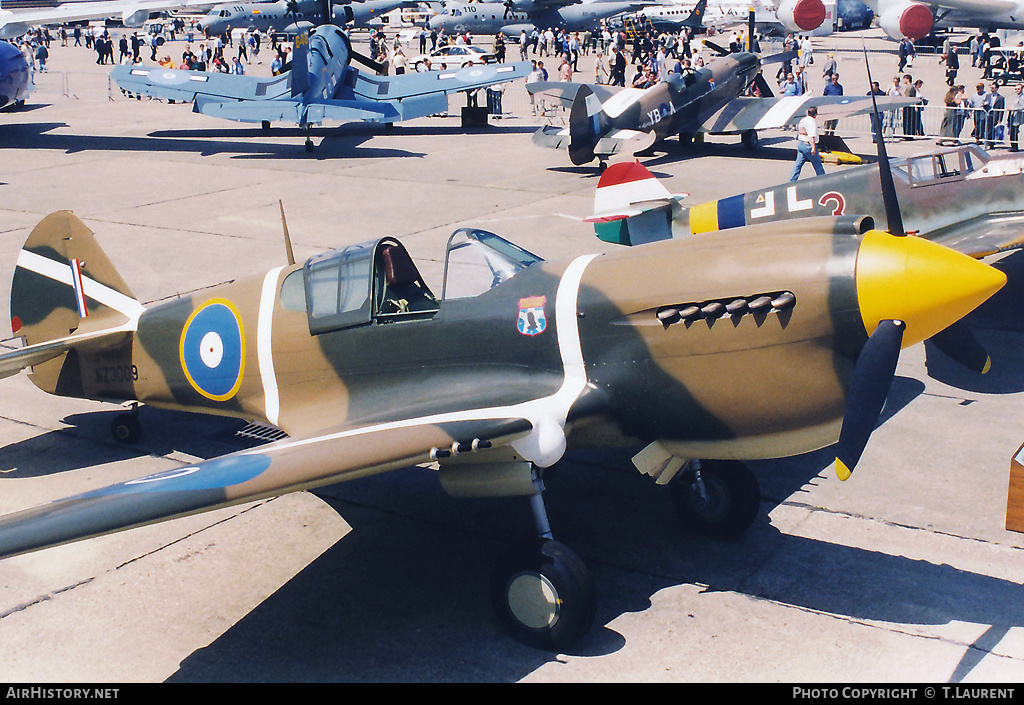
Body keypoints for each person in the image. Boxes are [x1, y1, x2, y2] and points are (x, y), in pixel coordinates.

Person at [790, 106, 825, 181]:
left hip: (801, 143)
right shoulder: (812, 122)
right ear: (815, 114)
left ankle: (791, 181)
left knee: (797, 165)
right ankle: (823, 180)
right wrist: (813, 148)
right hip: (808, 145)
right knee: (817, 164)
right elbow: (811, 136)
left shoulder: (803, 120)